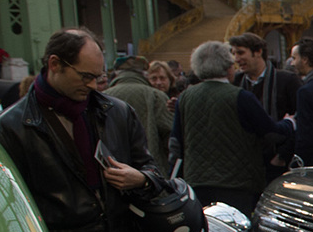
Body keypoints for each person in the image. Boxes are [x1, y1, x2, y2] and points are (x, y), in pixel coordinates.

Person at [0, 28, 167, 232]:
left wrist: (139, 178)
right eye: (85, 76)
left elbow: (152, 171)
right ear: (54, 64)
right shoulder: (12, 128)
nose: (94, 85)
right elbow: (8, 209)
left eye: (99, 76)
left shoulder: (117, 113)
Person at [169, 41, 296, 213]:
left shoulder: (185, 97)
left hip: (197, 180)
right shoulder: (241, 97)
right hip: (237, 184)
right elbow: (270, 131)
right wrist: (289, 123)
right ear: (229, 67)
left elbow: (177, 142)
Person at [109, 55, 173, 176]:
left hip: (113, 172)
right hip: (150, 174)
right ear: (144, 74)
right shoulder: (156, 95)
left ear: (117, 73)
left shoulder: (102, 97)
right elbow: (169, 136)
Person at [229, 33, 299, 120]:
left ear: (258, 51)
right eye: (234, 54)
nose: (236, 59)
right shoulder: (235, 82)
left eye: (240, 53)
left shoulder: (287, 80)